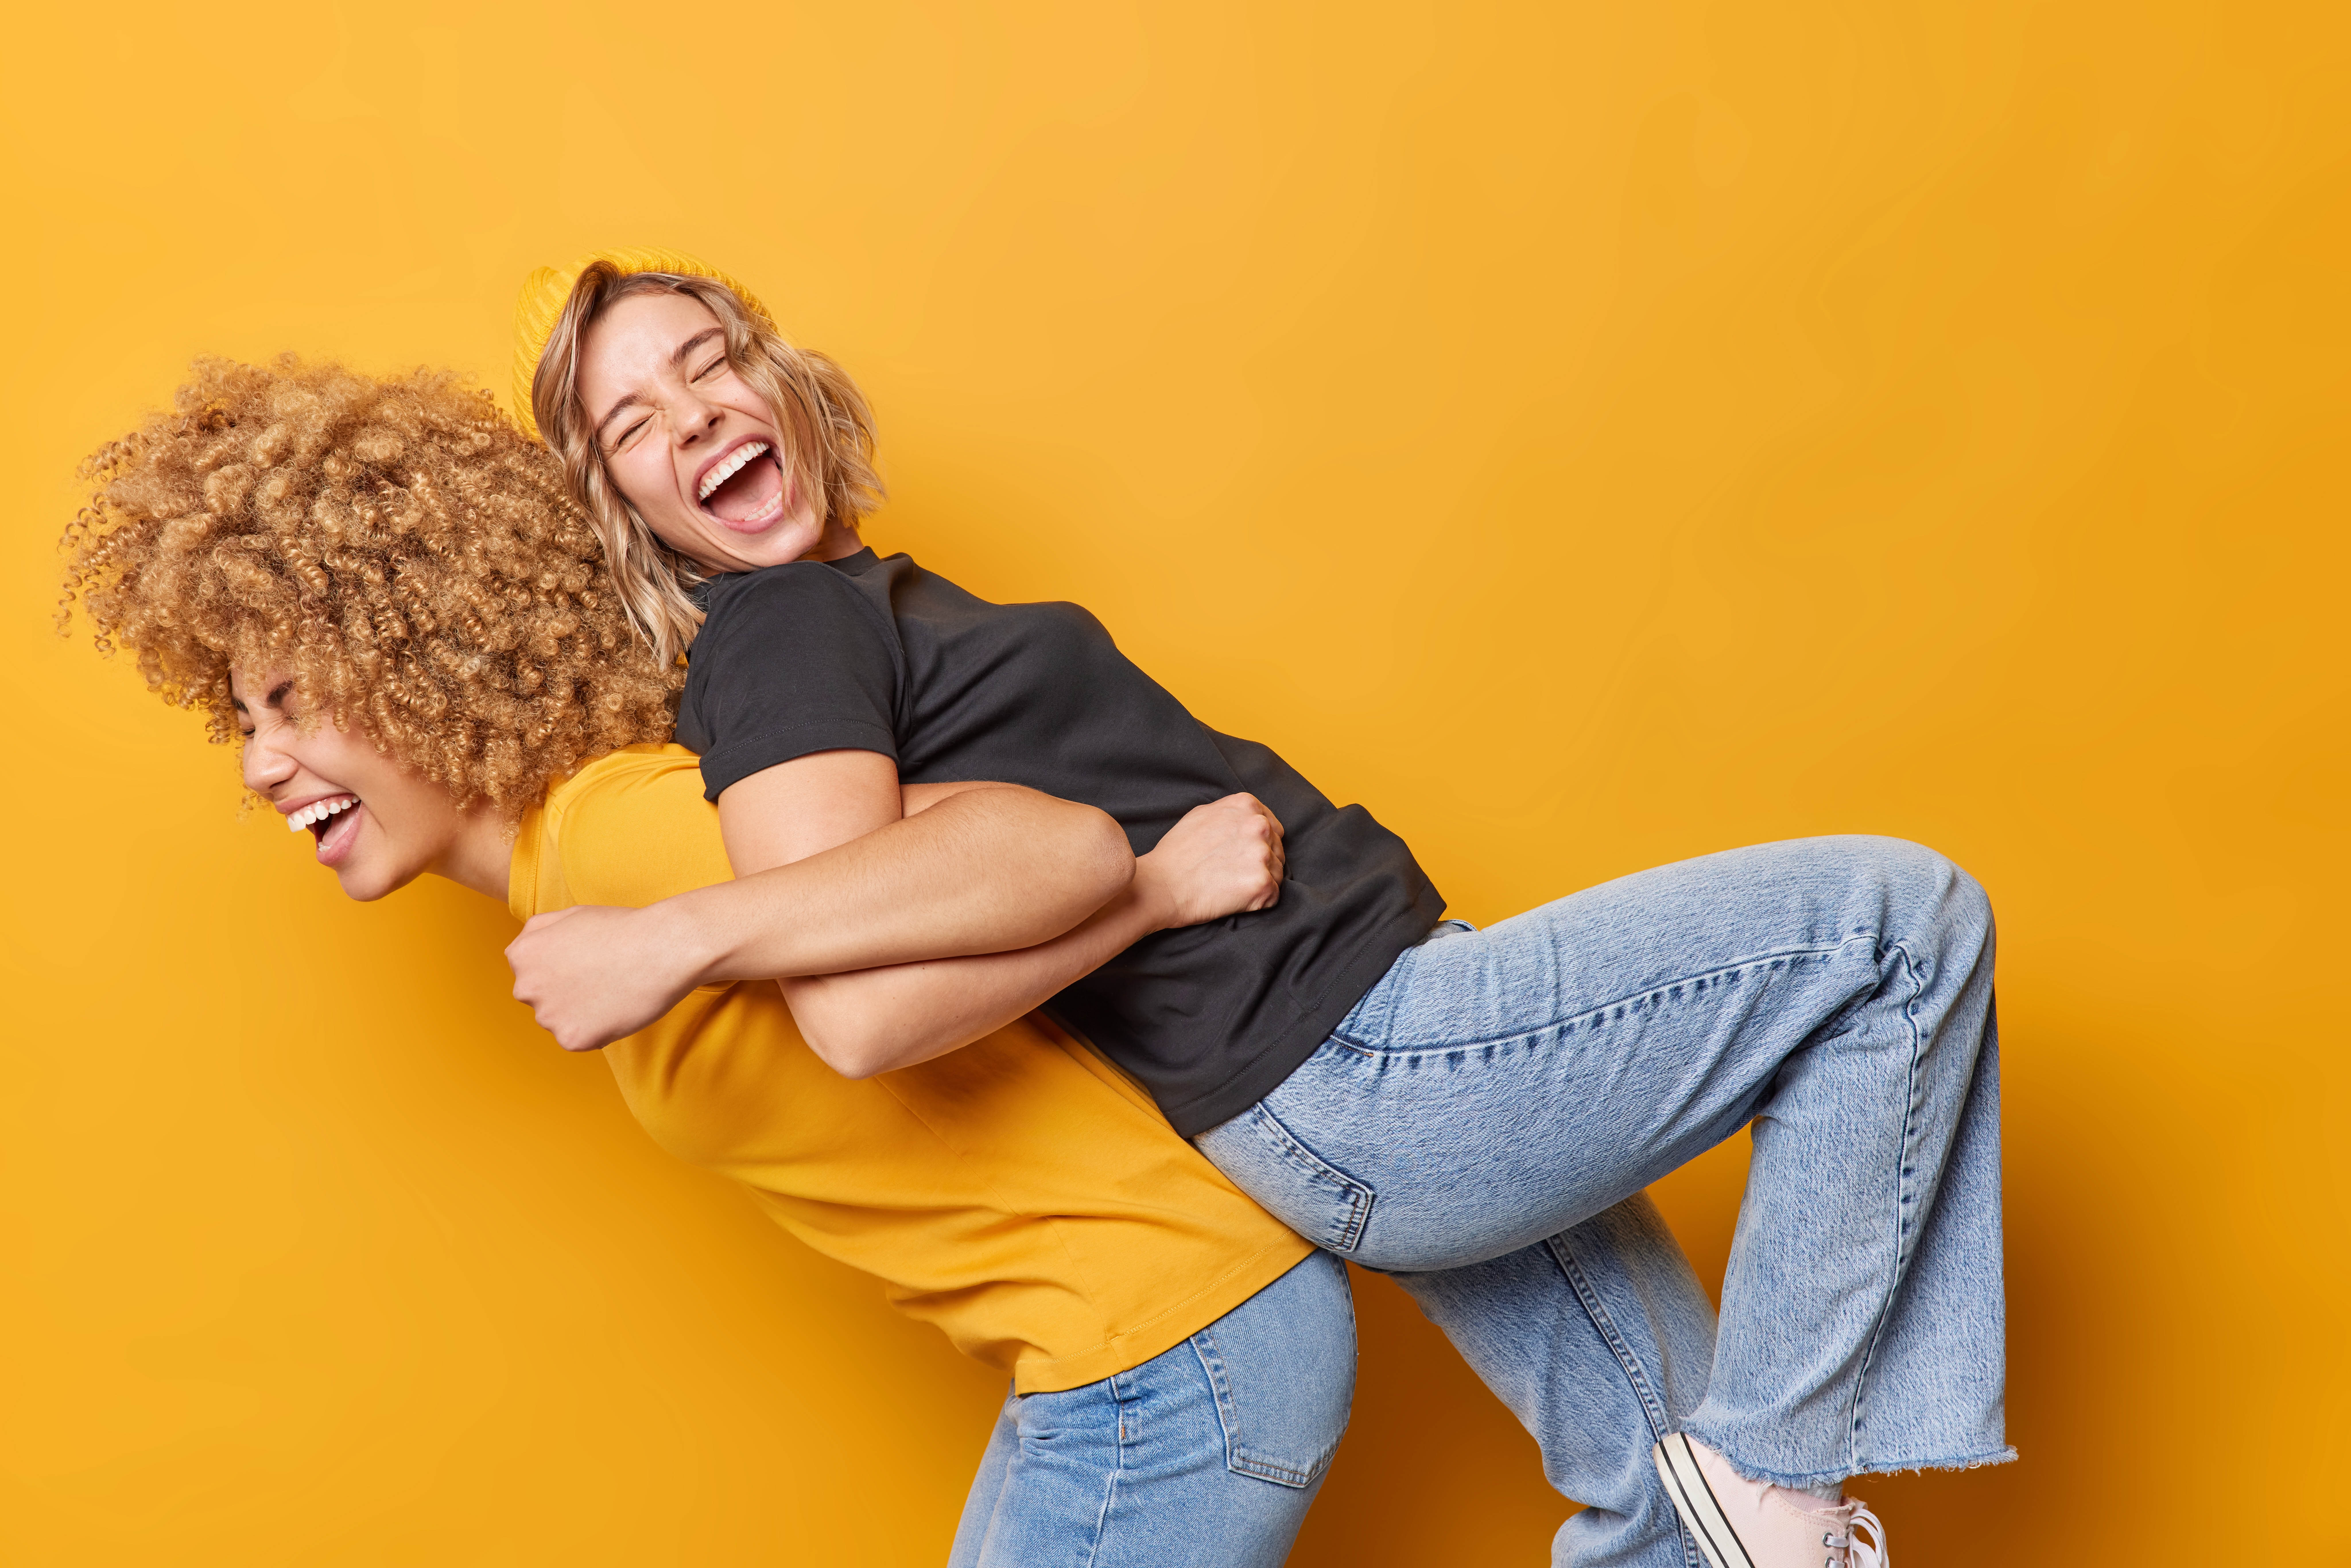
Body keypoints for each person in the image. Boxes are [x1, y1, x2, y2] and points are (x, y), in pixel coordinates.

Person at [508, 247, 2011, 1568]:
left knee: (1664, 1506)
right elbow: (859, 1007)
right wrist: (1155, 894)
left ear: (776, 377)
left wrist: (1144, 895)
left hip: (1356, 1061)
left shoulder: (853, 604)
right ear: (627, 508)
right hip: (1366, 1055)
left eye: (707, 363)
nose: (694, 414)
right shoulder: (784, 637)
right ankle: (1789, 1472)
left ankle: (1743, 1509)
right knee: (1896, 930)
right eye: (635, 422)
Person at [60, 355, 1360, 1568]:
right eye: (239, 719)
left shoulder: (624, 836)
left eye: (289, 702)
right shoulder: (573, 879)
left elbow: (1044, 839)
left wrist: (1150, 887)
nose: (257, 762)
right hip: (1118, 1348)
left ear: (413, 658)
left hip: (1172, 1342)